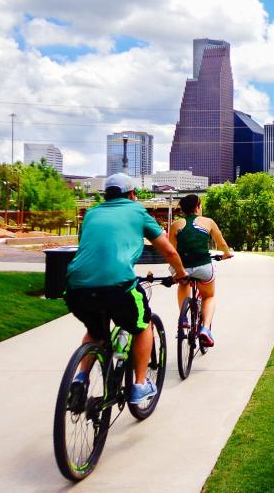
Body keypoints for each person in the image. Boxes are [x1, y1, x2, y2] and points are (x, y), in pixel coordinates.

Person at [64, 173, 188, 404]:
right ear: (132, 195)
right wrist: (181, 274)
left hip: (76, 287)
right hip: (117, 286)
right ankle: (139, 385)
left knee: (95, 331)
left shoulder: (91, 213)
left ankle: (80, 379)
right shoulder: (138, 211)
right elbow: (169, 251)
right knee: (143, 325)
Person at [168, 194, 231, 347]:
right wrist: (226, 254)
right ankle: (205, 329)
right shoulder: (208, 222)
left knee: (183, 283)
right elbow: (221, 243)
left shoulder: (176, 225)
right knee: (209, 296)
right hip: (203, 266)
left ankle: (183, 318)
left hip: (183, 267)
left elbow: (171, 249)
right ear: (197, 206)